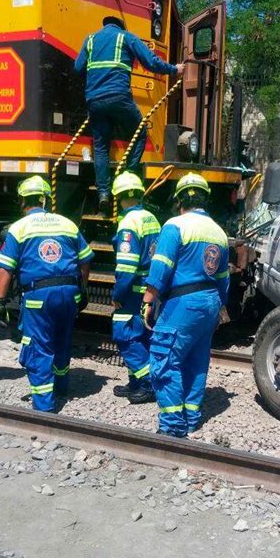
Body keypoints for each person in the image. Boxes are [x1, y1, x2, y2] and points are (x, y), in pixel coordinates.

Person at [0, 175, 94, 412]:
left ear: (22, 202)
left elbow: (5, 267)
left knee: (38, 345)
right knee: (62, 338)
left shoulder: (19, 228)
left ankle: (44, 407)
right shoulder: (67, 224)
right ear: (45, 199)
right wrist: (82, 288)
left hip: (39, 295)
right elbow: (85, 261)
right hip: (69, 292)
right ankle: (61, 386)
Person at [141, 174, 230, 437]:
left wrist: (147, 300)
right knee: (195, 360)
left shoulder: (175, 226)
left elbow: (161, 267)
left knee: (164, 359)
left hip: (182, 302)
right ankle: (191, 417)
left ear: (179, 198)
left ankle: (172, 428)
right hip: (210, 301)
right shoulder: (219, 232)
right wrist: (218, 309)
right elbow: (224, 280)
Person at [74, 16, 185, 215]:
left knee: (100, 147)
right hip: (118, 97)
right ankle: (128, 175)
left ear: (104, 24)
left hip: (94, 100)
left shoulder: (90, 40)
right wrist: (174, 69)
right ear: (120, 26)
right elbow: (151, 62)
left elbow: (77, 68)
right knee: (140, 133)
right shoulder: (126, 37)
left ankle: (104, 194)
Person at [111, 171, 160, 404]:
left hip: (133, 290)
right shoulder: (151, 217)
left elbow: (127, 267)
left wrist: (117, 294)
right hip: (149, 287)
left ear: (118, 197)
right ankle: (136, 382)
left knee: (125, 335)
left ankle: (148, 384)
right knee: (143, 335)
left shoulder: (128, 223)